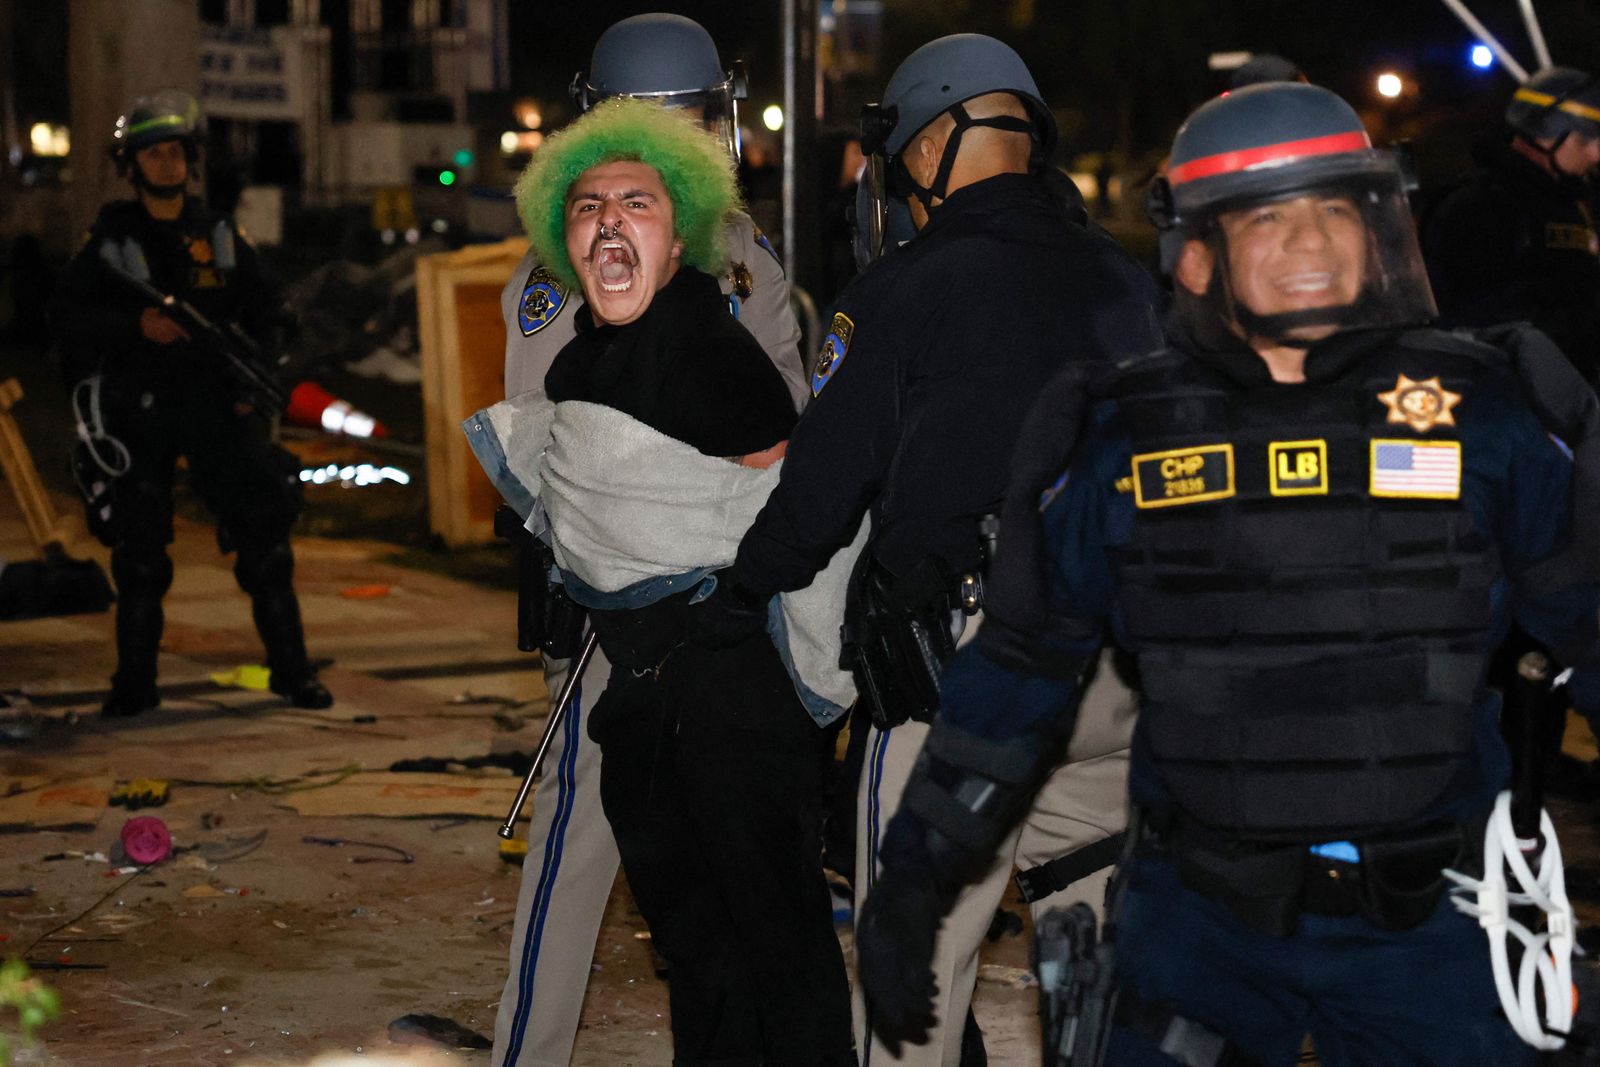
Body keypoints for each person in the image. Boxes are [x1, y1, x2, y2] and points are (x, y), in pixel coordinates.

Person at [856, 80, 1600, 1066]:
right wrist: (914, 883)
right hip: (1200, 931)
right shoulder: (1119, 439)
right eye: (1269, 216)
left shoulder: (1488, 416)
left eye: (1336, 209)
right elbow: (1016, 678)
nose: (1311, 241)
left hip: (1427, 928)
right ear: (1196, 254)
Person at [695, 33, 1162, 1065]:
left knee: (912, 985)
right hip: (1114, 679)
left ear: (931, 143)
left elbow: (821, 487)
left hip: (963, 677)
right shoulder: (1126, 280)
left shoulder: (906, 286)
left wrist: (739, 592)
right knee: (1100, 970)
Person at [494, 96, 855, 1066]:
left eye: (636, 202)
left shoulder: (711, 350)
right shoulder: (584, 358)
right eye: (587, 206)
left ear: (682, 228)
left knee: (780, 953)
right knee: (700, 958)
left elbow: (780, 497)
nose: (608, 220)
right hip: (645, 701)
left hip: (730, 700)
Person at [49, 90, 329, 717]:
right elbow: (67, 319)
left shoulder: (221, 233)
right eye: (154, 154)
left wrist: (253, 373)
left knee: (265, 544)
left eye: (177, 153)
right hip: (141, 411)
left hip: (216, 407)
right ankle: (134, 685)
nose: (168, 164)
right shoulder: (112, 240)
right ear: (132, 165)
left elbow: (271, 312)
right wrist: (135, 327)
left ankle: (292, 672)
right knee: (141, 559)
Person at [1421, 66, 1600, 383]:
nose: (1596, 153)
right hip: (1512, 397)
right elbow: (1478, 320)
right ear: (1546, 135)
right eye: (1587, 139)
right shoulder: (1478, 209)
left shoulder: (1571, 203)